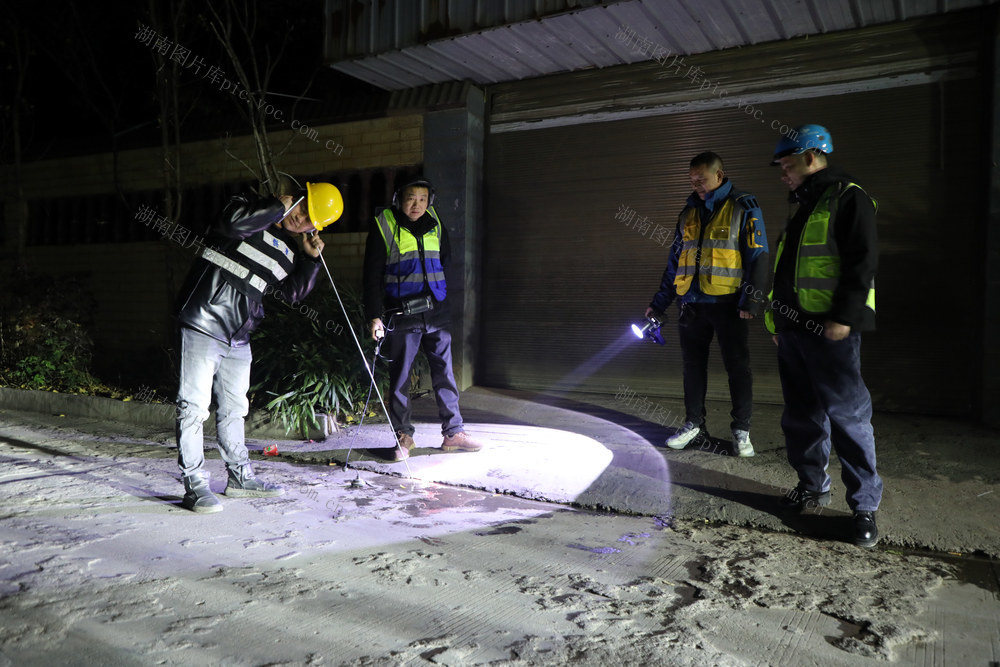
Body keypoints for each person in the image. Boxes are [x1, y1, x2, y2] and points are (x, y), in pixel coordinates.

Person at [173, 181, 343, 513]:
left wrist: (310, 261)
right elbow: (231, 224)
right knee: (193, 407)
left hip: (240, 335)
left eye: (311, 220)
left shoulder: (290, 251)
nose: (302, 219)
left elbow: (289, 295)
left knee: (235, 411)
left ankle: (240, 478)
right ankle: (194, 485)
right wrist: (276, 207)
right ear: (297, 198)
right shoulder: (246, 205)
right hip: (203, 319)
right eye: (304, 208)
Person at [766, 124, 882, 548]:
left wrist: (845, 317)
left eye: (788, 163)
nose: (783, 173)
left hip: (830, 330)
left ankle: (864, 507)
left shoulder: (849, 197)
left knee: (848, 417)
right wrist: (779, 323)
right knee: (802, 416)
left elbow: (862, 261)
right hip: (796, 330)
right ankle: (811, 485)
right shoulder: (804, 206)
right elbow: (787, 272)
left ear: (813, 156)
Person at [645, 151, 769, 457]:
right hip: (691, 304)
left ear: (720, 175)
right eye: (692, 179)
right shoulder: (687, 212)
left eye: (702, 178)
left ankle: (741, 430)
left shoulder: (744, 205)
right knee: (692, 368)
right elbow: (676, 262)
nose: (696, 184)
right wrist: (659, 304)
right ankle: (694, 426)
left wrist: (752, 300)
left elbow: (758, 256)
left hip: (729, 304)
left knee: (737, 368)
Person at [363, 178, 482, 462]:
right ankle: (404, 437)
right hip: (402, 314)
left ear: (430, 200)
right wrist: (374, 316)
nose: (417, 204)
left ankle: (453, 433)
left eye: (423, 198)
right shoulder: (384, 225)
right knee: (401, 377)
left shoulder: (435, 221)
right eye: (410, 198)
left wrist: (447, 301)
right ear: (398, 199)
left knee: (445, 373)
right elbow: (371, 276)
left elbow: (446, 261)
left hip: (436, 312)